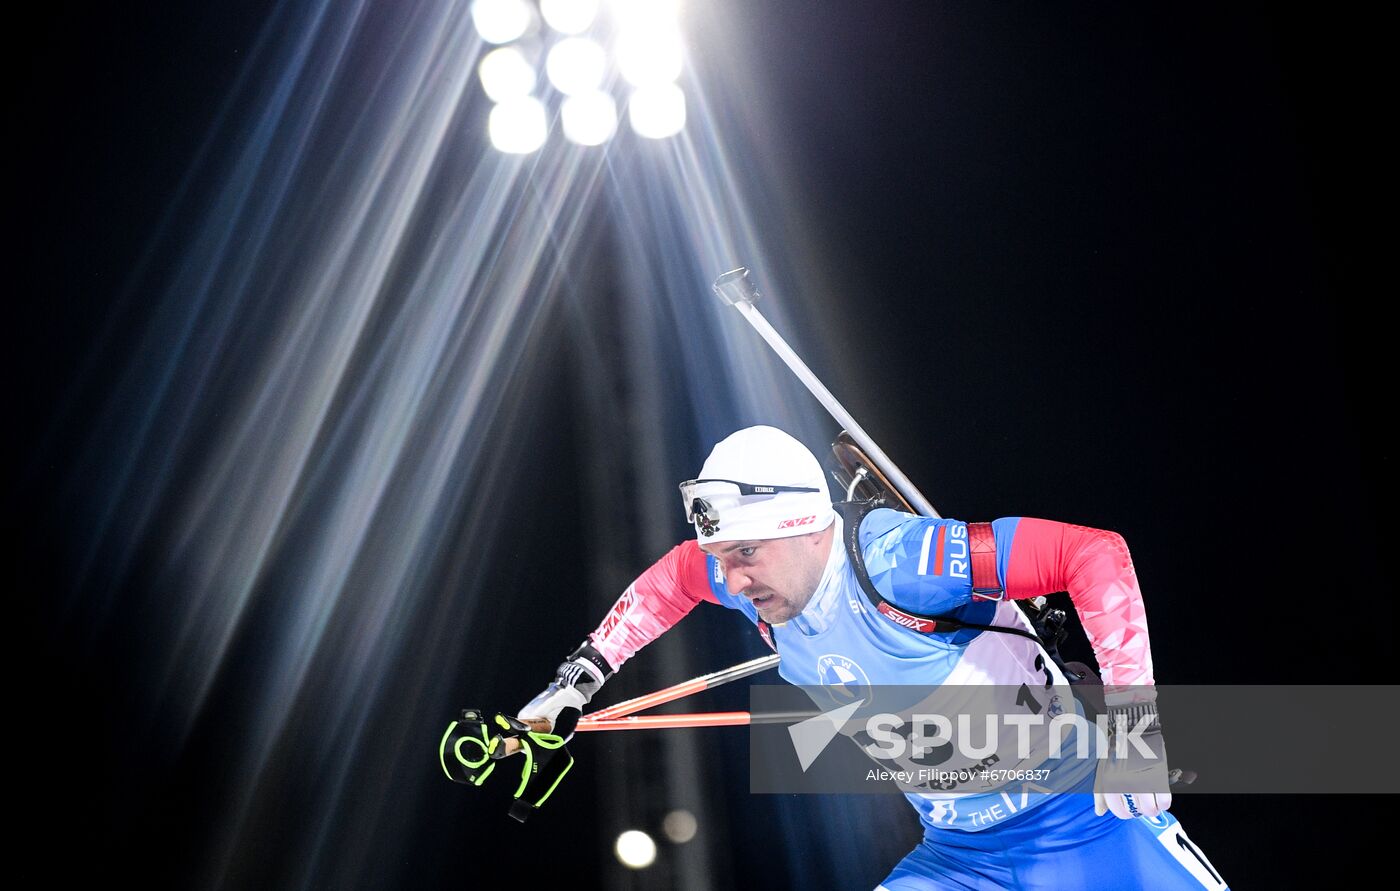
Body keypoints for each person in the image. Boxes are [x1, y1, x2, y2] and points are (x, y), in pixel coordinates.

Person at [513, 425, 1228, 890]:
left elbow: (1092, 554)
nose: (730, 581)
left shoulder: (897, 561)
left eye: (744, 554)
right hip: (959, 860)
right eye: (722, 559)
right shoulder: (761, 587)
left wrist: (1135, 733)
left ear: (801, 527)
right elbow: (674, 577)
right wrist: (578, 678)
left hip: (1084, 828)